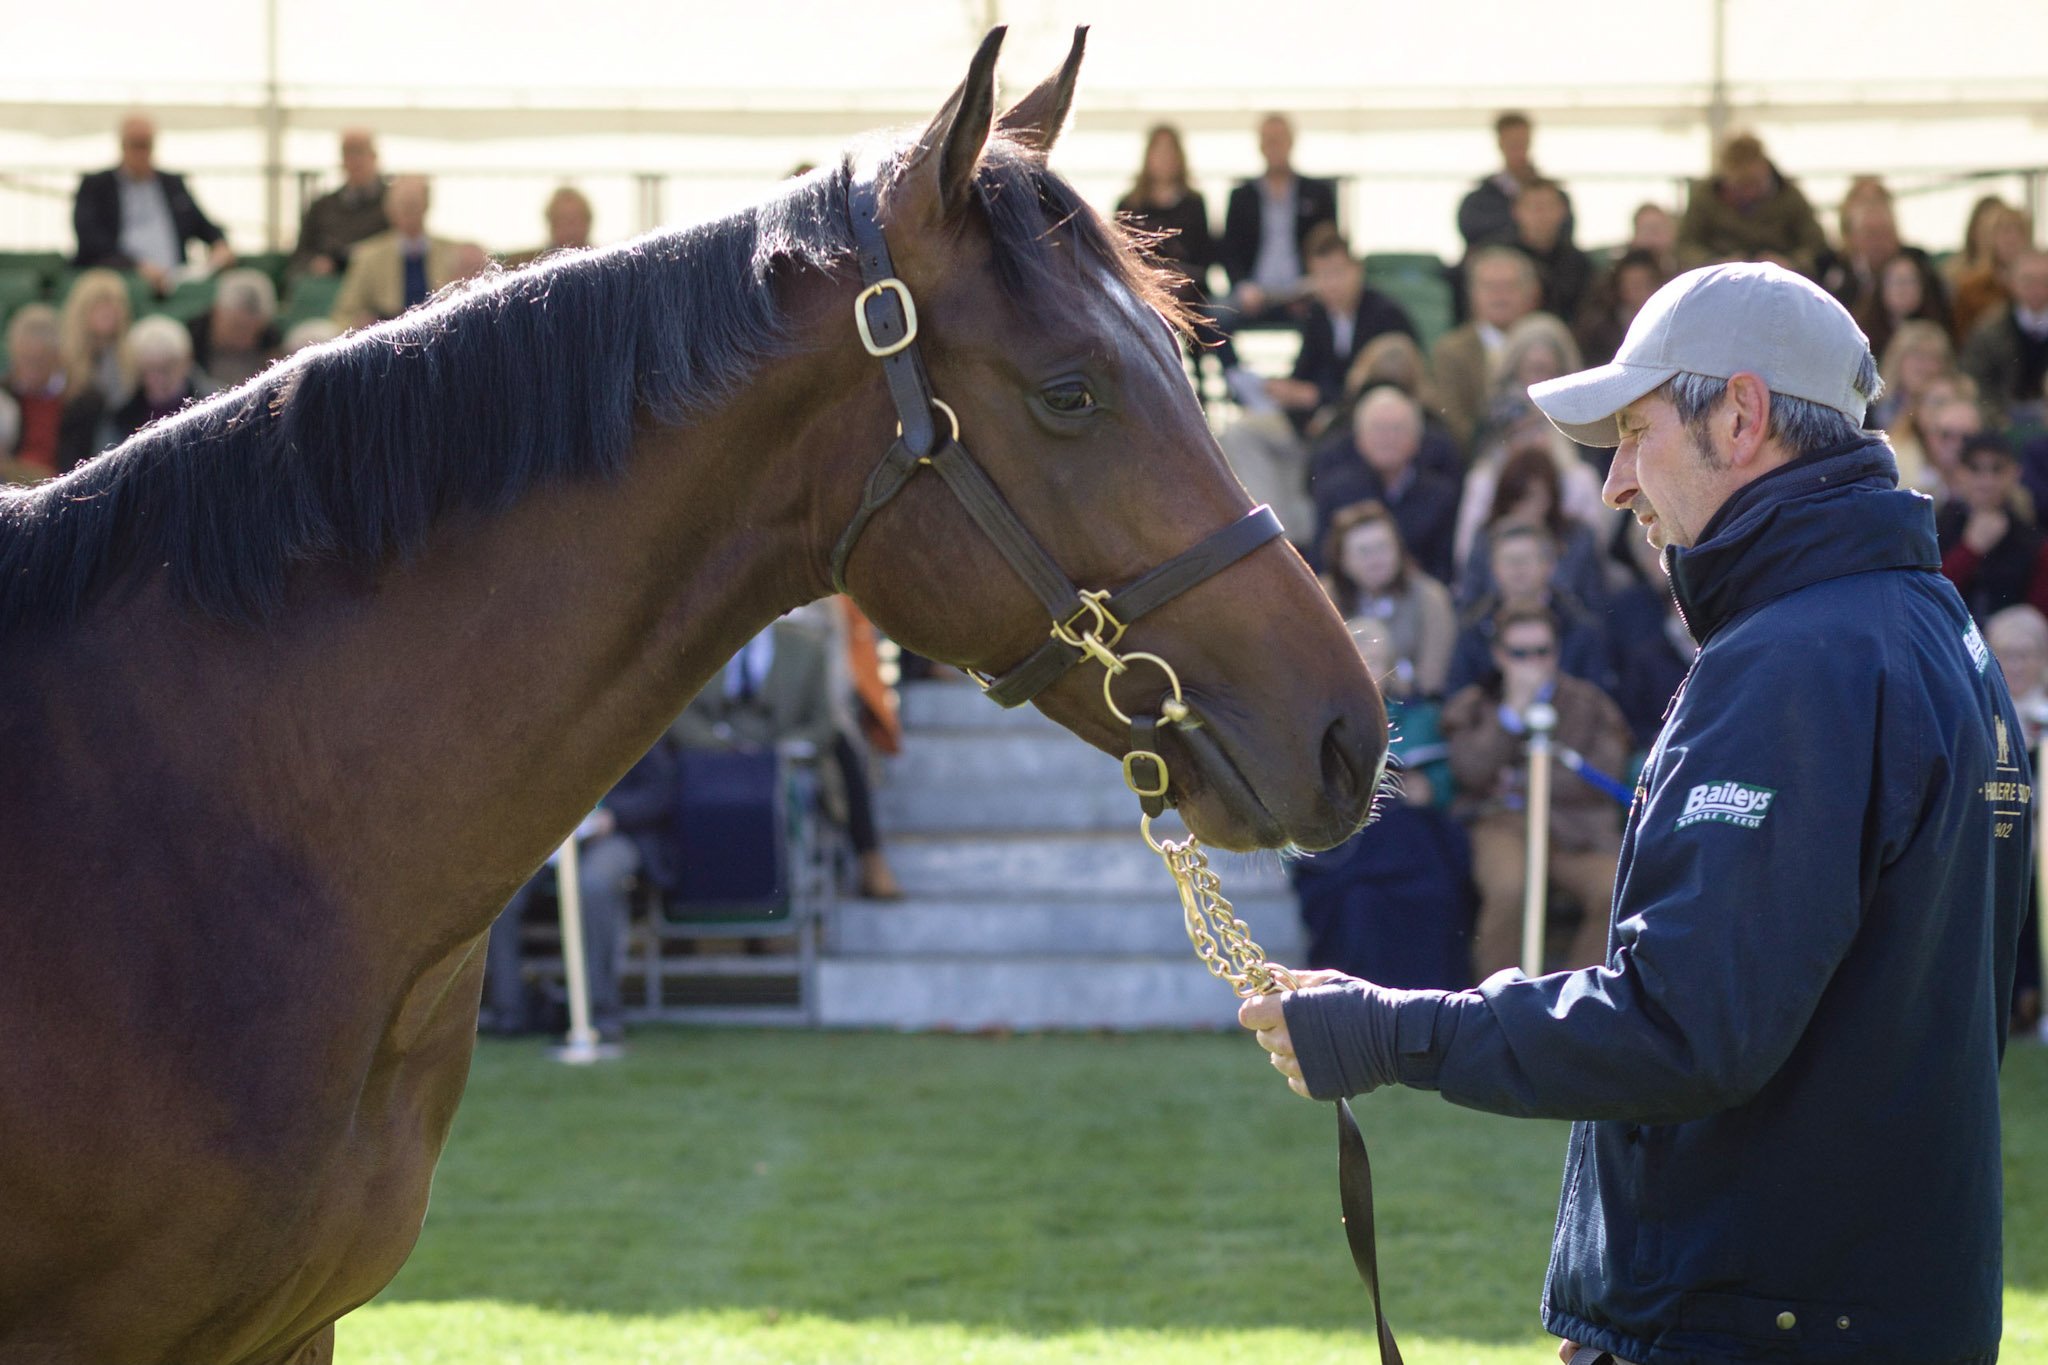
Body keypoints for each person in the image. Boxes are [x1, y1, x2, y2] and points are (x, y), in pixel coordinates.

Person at [1242, 261, 2029, 1364]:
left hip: (1757, 1319)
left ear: (1742, 416)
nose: (1612, 482)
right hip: (1853, 1303)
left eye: (1635, 429)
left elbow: (1681, 1027)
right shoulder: (1929, 629)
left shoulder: (1796, 658)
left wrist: (1387, 1030)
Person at [1442, 604, 1630, 980]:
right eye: (1519, 653)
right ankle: (1497, 1008)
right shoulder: (1474, 704)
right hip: (1502, 824)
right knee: (1511, 889)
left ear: (1557, 652)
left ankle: (1573, 1005)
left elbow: (1604, 772)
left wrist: (1520, 779)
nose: (1532, 663)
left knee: (1616, 891)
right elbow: (1470, 771)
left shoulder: (1589, 703)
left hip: (1576, 832)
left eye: (1541, 651)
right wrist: (1511, 713)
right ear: (1499, 655)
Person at [1288, 616, 1474, 990]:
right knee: (1359, 907)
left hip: (1413, 845)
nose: (1367, 669)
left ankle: (1431, 1004)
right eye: (1358, 658)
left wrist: (1428, 789)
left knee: (1436, 898)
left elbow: (1447, 781)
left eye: (1376, 660)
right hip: (1346, 852)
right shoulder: (1313, 720)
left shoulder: (1421, 718)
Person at [1216, 225, 1414, 543]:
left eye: (1338, 273)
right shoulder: (1319, 315)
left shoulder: (1386, 316)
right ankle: (1275, 534)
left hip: (1355, 425)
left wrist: (1318, 399)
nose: (1331, 285)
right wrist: (1284, 390)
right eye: (1321, 276)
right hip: (1310, 422)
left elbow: (1391, 388)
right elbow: (1303, 374)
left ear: (1357, 271)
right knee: (1241, 432)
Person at [483, 738, 680, 1043]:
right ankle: (510, 1012)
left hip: (615, 835)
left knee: (594, 886)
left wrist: (611, 815)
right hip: (545, 838)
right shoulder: (541, 727)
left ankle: (600, 1014)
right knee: (500, 894)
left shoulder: (631, 719)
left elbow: (660, 792)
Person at [1307, 386, 1462, 583]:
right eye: (1378, 429)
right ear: (1359, 439)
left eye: (1397, 429)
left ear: (1417, 439)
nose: (1388, 438)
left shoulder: (1441, 496)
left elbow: (1444, 569)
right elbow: (1321, 562)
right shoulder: (1334, 491)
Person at [71, 114, 234, 293]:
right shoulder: (96, 186)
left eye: (146, 145)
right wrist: (136, 267)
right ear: (122, 145)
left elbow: (202, 224)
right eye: (136, 145)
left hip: (176, 281)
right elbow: (91, 241)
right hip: (122, 282)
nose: (142, 153)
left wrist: (220, 244)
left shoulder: (172, 184)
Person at [1115, 125, 1221, 387]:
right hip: (1143, 297)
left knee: (1213, 325)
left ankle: (1222, 388)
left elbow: (1204, 257)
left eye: (1170, 152)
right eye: (1159, 152)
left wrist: (1178, 281)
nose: (1164, 159)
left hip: (1190, 298)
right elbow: (1121, 259)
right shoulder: (1129, 204)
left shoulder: (1195, 204)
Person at [1320, 499, 1457, 699]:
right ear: (1342, 560)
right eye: (1364, 552)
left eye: (1383, 547)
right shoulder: (1323, 600)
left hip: (1411, 710)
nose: (1376, 560)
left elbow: (1432, 681)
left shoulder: (1430, 597)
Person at [1215, 113, 1339, 330]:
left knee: (1329, 315)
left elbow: (1329, 244)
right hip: (1254, 292)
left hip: (1304, 290)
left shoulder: (1318, 193)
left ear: (1291, 142)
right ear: (1260, 145)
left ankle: (1310, 365)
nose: (1275, 146)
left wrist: (1315, 282)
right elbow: (1229, 250)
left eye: (1280, 139)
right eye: (1269, 140)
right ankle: (1234, 366)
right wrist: (1243, 286)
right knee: (1213, 315)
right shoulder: (1242, 197)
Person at [1432, 245, 1543, 452]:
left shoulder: (1550, 340)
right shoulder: (1451, 351)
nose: (1499, 296)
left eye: (1509, 286)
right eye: (1489, 287)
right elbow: (1453, 421)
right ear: (1472, 294)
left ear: (1531, 292)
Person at [1674, 131, 1828, 276]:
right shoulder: (1706, 198)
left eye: (1754, 184)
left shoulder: (1789, 197)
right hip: (1721, 283)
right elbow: (1684, 246)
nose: (1748, 193)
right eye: (1740, 186)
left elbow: (1816, 246)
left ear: (1765, 171)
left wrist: (1789, 264)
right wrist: (1715, 264)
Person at [1938, 432, 2048, 623]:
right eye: (1975, 469)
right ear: (1959, 473)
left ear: (2015, 473)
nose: (1986, 481)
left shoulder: (2033, 540)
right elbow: (1927, 598)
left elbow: (2038, 619)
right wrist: (1969, 550)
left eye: (1997, 470)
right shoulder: (1936, 526)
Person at [330, 176, 464, 328]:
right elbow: (344, 314)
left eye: (414, 205)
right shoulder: (368, 257)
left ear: (426, 205)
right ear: (389, 210)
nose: (409, 213)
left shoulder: (453, 252)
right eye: (402, 206)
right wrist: (362, 325)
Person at [1455, 111, 1574, 257]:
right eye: (1513, 143)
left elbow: (1565, 236)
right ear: (1500, 144)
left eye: (1523, 143)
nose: (1519, 151)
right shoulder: (1478, 201)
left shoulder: (1555, 195)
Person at [286, 129, 389, 280]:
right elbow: (300, 255)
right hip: (329, 283)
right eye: (348, 153)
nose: (355, 161)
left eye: (360, 152)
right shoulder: (321, 207)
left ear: (374, 157)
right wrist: (315, 263)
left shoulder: (392, 205)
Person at [1959, 248, 2048, 416]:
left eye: (2044, 280)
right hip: (2002, 421)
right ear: (2012, 283)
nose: (2037, 288)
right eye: (2028, 280)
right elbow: (1975, 382)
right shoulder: (1989, 329)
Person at [108, 315, 209, 444]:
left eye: (165, 370)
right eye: (148, 370)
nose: (157, 380)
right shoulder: (122, 416)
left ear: (185, 363)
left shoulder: (213, 405)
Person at [1507, 180, 1591, 325]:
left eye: (1548, 206)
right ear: (1516, 211)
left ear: (1563, 211)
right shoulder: (1501, 258)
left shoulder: (1579, 263)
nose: (1541, 215)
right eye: (1533, 207)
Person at [187, 267, 283, 390]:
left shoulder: (271, 343)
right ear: (217, 313)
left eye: (255, 332)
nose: (246, 339)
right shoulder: (191, 340)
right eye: (238, 328)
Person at [1, 305, 67, 480]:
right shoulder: (5, 396)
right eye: (24, 359)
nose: (29, 369)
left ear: (55, 356)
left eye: (38, 361)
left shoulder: (79, 400)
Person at [503, 186, 596, 268]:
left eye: (576, 219)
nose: (570, 228)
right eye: (562, 220)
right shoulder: (528, 266)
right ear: (551, 223)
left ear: (588, 221)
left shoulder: (603, 266)